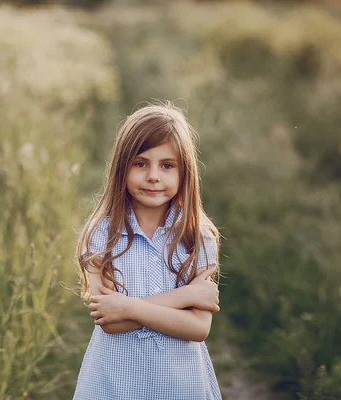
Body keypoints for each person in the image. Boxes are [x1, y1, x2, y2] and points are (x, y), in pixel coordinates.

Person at [73, 101, 222, 399]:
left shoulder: (197, 237)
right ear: (121, 168)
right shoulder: (102, 234)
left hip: (180, 386)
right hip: (115, 385)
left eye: (167, 166)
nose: (153, 176)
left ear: (185, 173)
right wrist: (186, 296)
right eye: (141, 164)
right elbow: (111, 323)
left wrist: (128, 306)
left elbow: (198, 328)